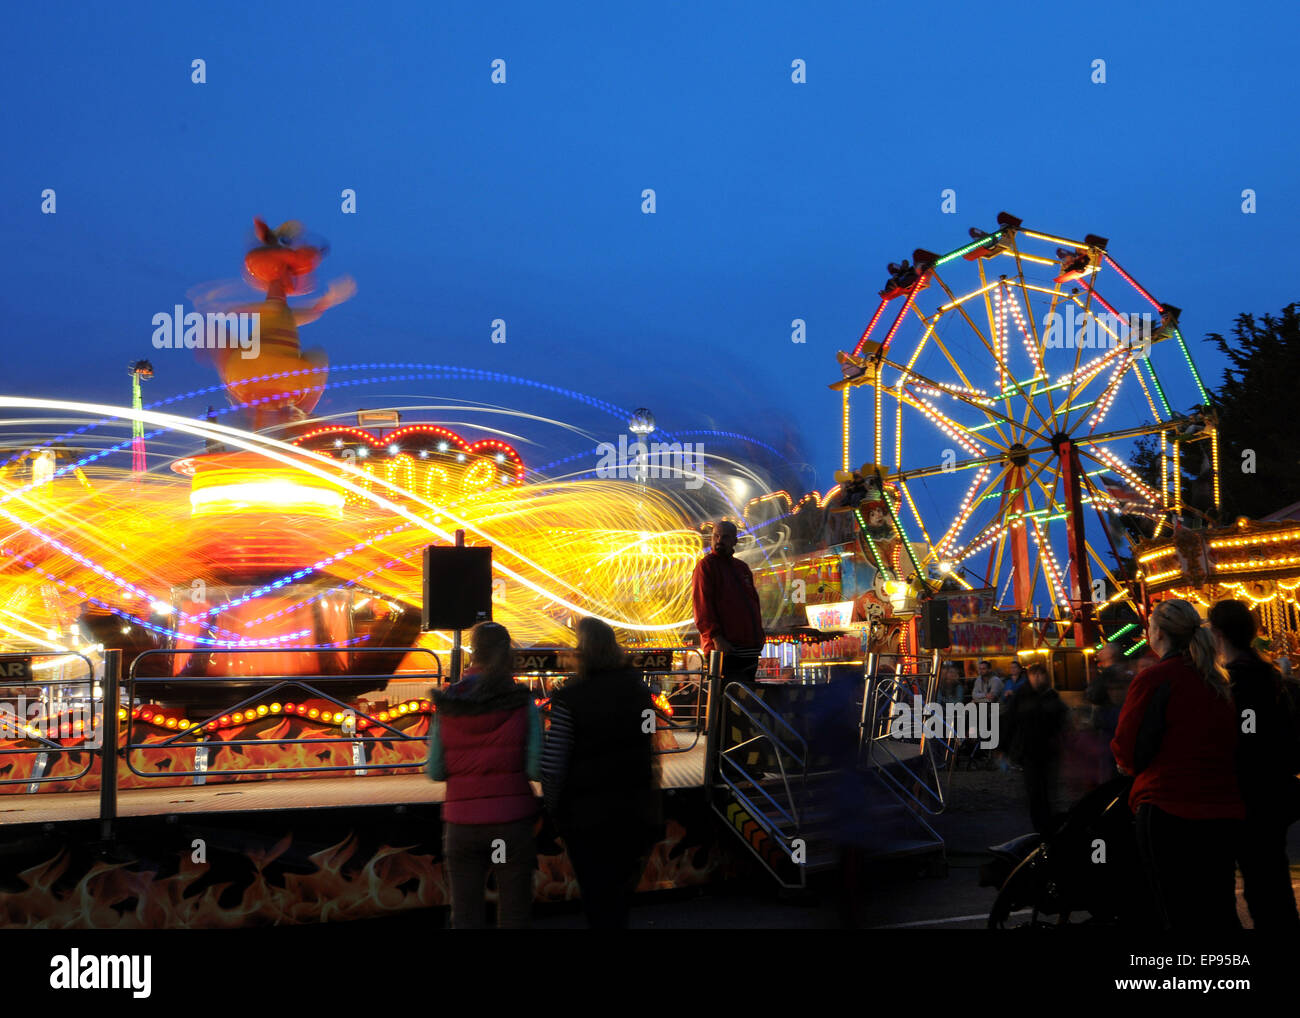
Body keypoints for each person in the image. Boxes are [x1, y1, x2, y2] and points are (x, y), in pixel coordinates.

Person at [1111, 599, 1244, 932]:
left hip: (1169, 807)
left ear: (1157, 633)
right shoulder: (1218, 680)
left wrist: (1125, 765)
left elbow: (1127, 747)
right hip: (1222, 809)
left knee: (1175, 911)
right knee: (1219, 910)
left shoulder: (1154, 679)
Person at [541, 617, 662, 928]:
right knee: (620, 896)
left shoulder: (569, 697)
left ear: (582, 650)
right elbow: (650, 748)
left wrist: (553, 807)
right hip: (633, 807)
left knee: (596, 895)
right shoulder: (637, 691)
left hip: (586, 814)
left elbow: (554, 764)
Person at [426, 621, 542, 929]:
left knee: (466, 914)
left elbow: (436, 771)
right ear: (507, 653)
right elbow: (535, 768)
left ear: (472, 653)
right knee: (513, 909)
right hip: (506, 830)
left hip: (462, 829)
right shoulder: (520, 700)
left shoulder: (449, 702)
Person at [1209, 599, 1300, 930]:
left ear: (1217, 634)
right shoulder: (1273, 676)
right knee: (1270, 879)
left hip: (1247, 793)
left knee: (1257, 885)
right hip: (1275, 790)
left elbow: (1249, 733)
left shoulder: (1240, 683)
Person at [691, 520, 765, 688]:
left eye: (724, 537)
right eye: (716, 536)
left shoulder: (742, 568)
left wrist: (758, 636)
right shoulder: (706, 566)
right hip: (726, 649)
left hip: (748, 649)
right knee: (727, 700)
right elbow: (702, 606)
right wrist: (716, 637)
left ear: (734, 541)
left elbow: (753, 603)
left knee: (743, 701)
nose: (719, 540)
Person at [1003, 663, 1067, 832]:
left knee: (1046, 788)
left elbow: (1061, 721)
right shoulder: (1023, 696)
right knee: (1036, 790)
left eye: (1041, 675)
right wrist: (1005, 746)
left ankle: (1045, 824)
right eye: (1035, 675)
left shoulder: (1049, 696)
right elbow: (1009, 722)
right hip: (1030, 749)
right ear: (1030, 676)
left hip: (1046, 749)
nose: (1038, 678)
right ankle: (1041, 825)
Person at [1084, 642, 1132, 782]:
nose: (1100, 651)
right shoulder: (1125, 670)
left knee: (1108, 768)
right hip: (1119, 722)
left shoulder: (1109, 673)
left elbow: (1093, 694)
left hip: (1110, 723)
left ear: (1110, 654)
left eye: (1104, 649)